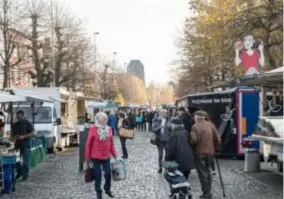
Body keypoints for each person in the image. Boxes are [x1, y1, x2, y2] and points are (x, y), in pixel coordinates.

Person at [85, 112, 117, 199]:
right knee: (97, 175)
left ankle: (107, 189)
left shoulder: (109, 129)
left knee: (108, 174)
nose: (107, 120)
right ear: (99, 120)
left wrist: (116, 156)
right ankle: (98, 192)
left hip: (106, 156)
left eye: (107, 119)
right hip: (96, 157)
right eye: (105, 119)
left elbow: (112, 144)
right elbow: (88, 144)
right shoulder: (93, 129)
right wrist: (87, 158)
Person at [190, 111, 221, 199]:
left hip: (200, 152)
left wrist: (190, 141)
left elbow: (194, 140)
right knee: (208, 172)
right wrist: (217, 149)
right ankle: (208, 191)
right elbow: (218, 139)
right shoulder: (210, 124)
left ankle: (206, 193)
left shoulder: (195, 126)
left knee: (202, 173)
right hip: (210, 152)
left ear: (197, 118)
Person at [11, 110, 35, 181]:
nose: (18, 118)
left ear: (23, 116)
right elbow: (13, 135)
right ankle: (20, 172)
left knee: (25, 161)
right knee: (16, 160)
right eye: (17, 116)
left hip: (26, 145)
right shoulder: (15, 125)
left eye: (19, 116)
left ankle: (25, 174)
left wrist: (23, 136)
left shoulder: (28, 123)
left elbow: (33, 133)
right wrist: (15, 137)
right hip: (17, 145)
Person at [152, 109, 170, 173]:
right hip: (159, 140)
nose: (165, 114)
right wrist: (160, 127)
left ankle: (166, 168)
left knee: (167, 155)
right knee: (160, 155)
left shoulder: (169, 120)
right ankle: (160, 168)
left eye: (165, 113)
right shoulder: (155, 120)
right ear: (160, 114)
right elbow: (153, 129)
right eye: (163, 113)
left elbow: (171, 129)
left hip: (167, 139)